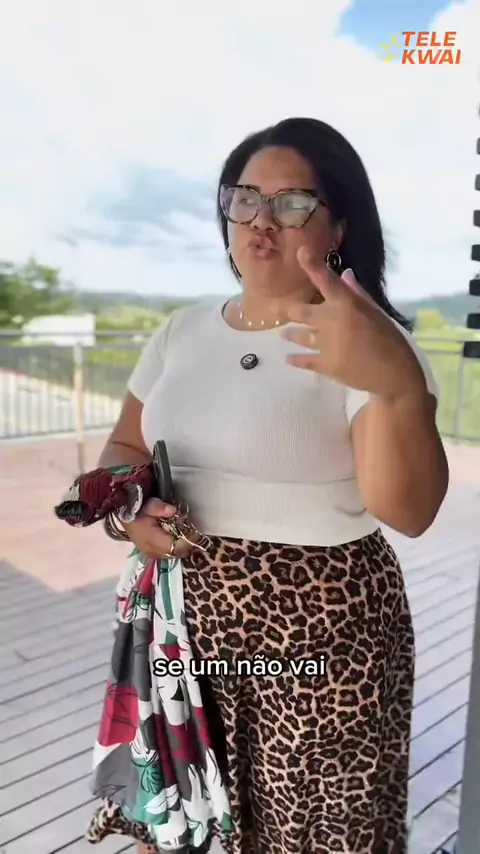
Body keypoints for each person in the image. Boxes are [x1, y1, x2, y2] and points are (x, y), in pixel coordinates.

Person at [88, 117, 449, 854]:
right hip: (183, 626)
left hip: (322, 633)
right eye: (245, 197)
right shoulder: (181, 332)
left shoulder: (366, 342)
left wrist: (397, 389)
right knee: (192, 818)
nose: (261, 220)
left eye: (292, 203)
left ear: (339, 225)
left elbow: (408, 511)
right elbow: (124, 448)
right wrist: (129, 514)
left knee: (317, 832)